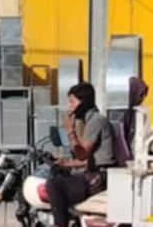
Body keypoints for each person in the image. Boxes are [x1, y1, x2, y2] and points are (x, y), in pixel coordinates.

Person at [49, 81, 115, 227]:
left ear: (83, 102)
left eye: (72, 102)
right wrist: (65, 163)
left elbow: (82, 154)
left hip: (98, 178)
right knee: (62, 178)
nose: (70, 107)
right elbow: (88, 158)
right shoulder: (90, 121)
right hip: (96, 174)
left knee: (54, 185)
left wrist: (69, 130)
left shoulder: (96, 121)